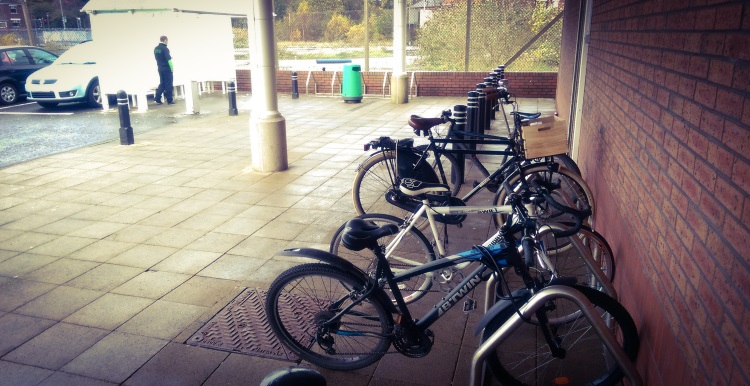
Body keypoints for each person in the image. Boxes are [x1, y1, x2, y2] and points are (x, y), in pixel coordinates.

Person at [153, 35, 174, 104]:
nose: (167, 42)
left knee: (162, 83)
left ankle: (157, 97)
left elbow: (159, 57)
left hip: (160, 68)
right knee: (169, 84)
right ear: (165, 40)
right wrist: (172, 68)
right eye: (167, 40)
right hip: (166, 68)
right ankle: (169, 100)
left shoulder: (156, 49)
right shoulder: (165, 49)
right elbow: (169, 60)